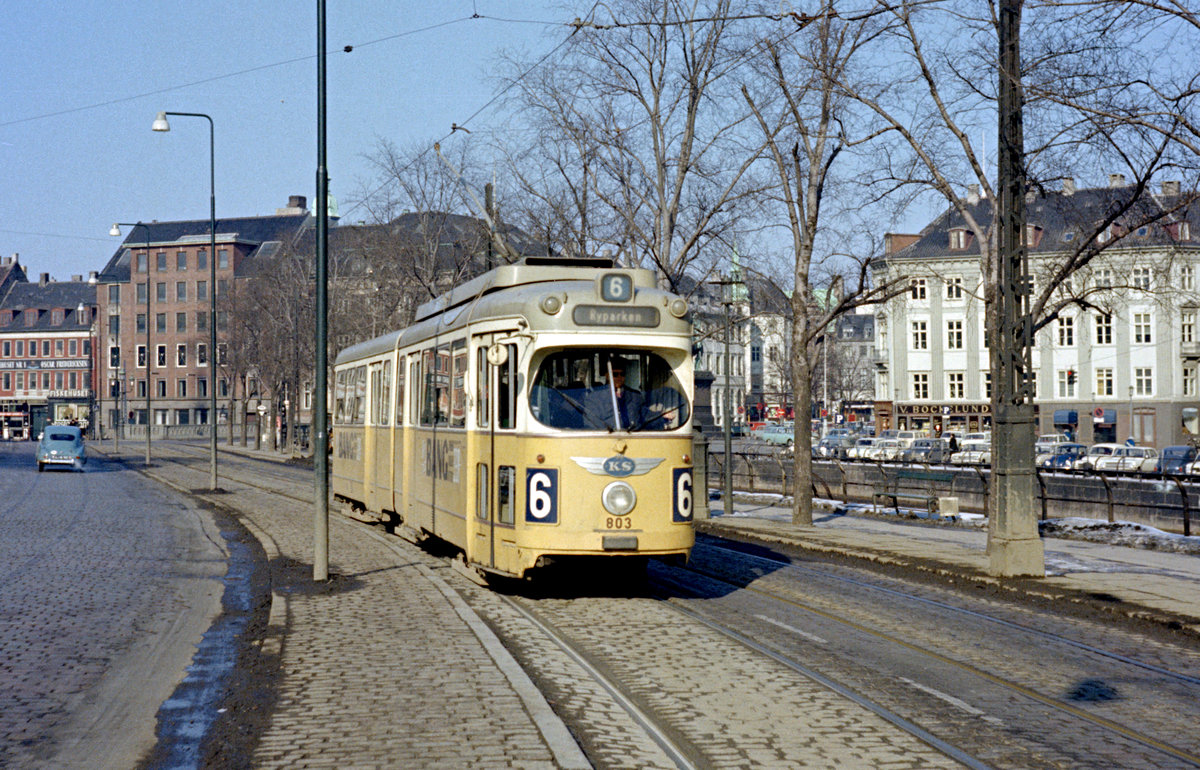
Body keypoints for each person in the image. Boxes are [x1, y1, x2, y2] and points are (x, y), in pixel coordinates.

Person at [584, 359, 644, 430]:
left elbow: (645, 417)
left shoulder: (636, 396)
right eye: (615, 374)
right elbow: (592, 424)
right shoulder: (594, 398)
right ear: (607, 376)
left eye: (622, 374)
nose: (619, 378)